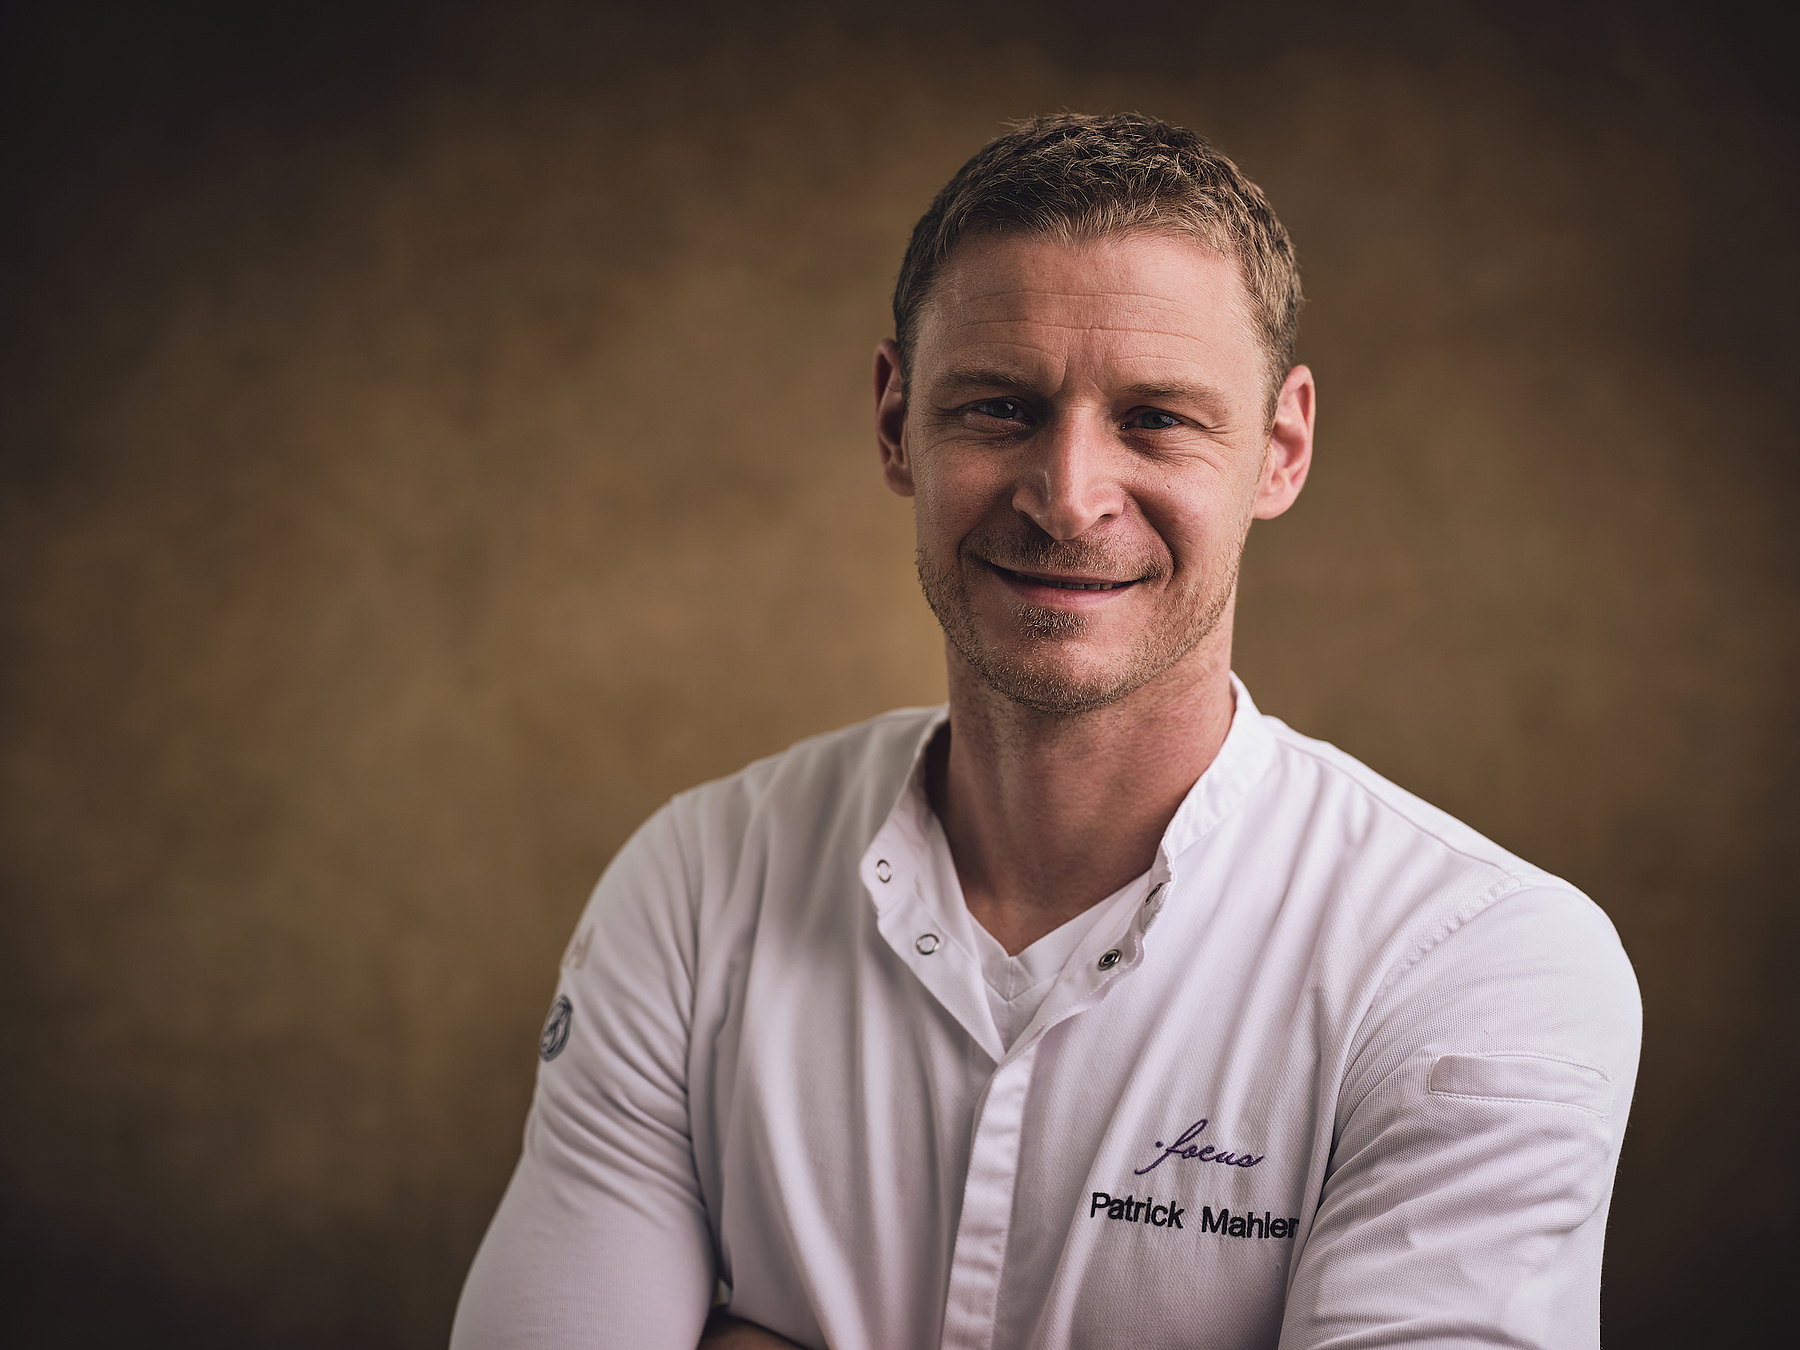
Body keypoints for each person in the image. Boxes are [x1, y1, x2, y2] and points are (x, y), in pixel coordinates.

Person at [449, 113, 1640, 1350]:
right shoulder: (697, 889)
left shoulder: (1480, 967)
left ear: (1279, 450)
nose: (1068, 499)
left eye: (1157, 418)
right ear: (894, 421)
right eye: (1000, 408)